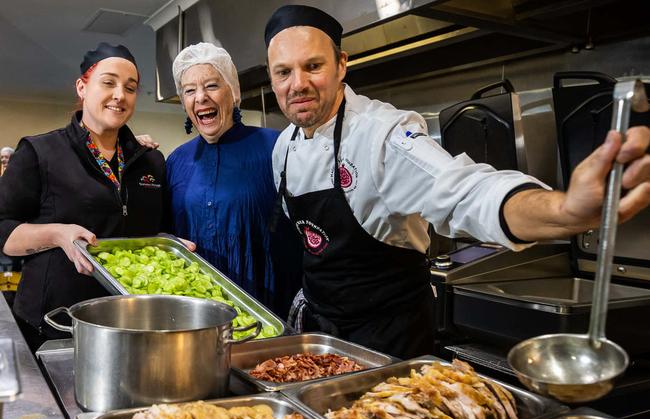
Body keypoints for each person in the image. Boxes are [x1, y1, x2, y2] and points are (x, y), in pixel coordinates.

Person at [264, 5, 650, 358]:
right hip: (322, 340)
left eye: (313, 66)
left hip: (389, 342)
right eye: (284, 72)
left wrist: (564, 210)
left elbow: (464, 191)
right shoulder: (283, 147)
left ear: (341, 65)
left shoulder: (381, 135)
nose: (297, 84)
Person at [0, 43, 173, 351]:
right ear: (82, 87)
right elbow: (3, 229)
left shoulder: (151, 162)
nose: (120, 94)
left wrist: (169, 245)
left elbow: (152, 230)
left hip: (131, 326)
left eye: (130, 88)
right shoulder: (40, 152)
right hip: (54, 326)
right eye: (108, 82)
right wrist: (58, 235)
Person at [166, 43, 302, 318]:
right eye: (190, 90)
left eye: (212, 86)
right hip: (198, 312)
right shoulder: (177, 161)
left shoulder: (276, 147)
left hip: (268, 307)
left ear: (233, 91)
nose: (201, 97)